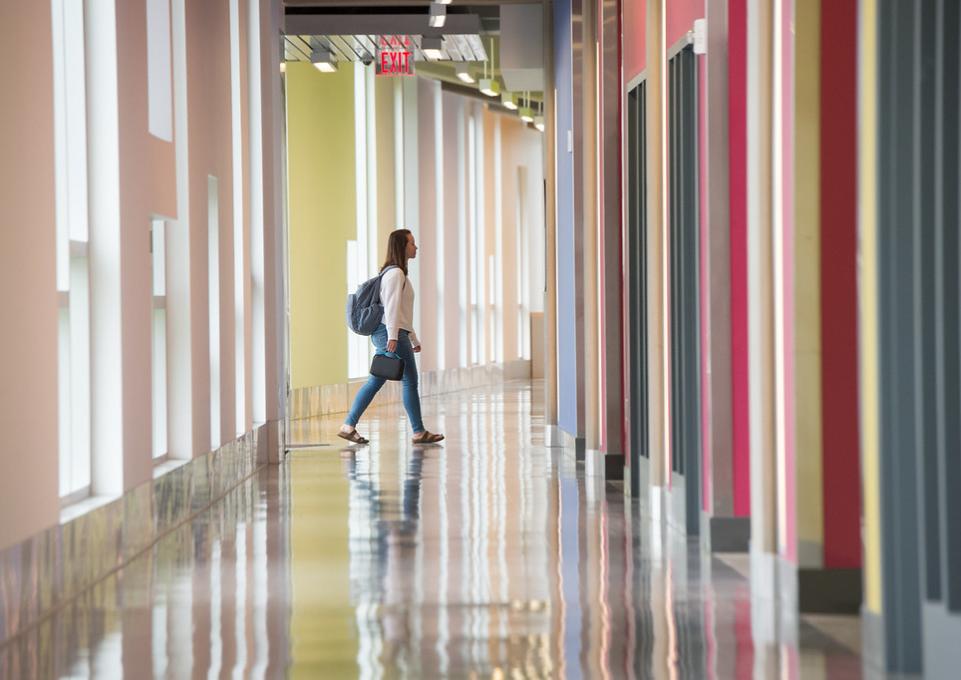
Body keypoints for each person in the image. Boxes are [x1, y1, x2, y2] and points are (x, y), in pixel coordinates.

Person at [339, 229, 445, 446]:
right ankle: (418, 431)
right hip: (389, 333)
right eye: (412, 243)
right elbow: (392, 309)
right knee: (409, 382)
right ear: (402, 247)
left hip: (393, 332)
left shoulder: (397, 274)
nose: (416, 247)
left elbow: (402, 313)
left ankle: (348, 426)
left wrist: (412, 338)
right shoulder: (395, 274)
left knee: (377, 381)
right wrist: (394, 337)